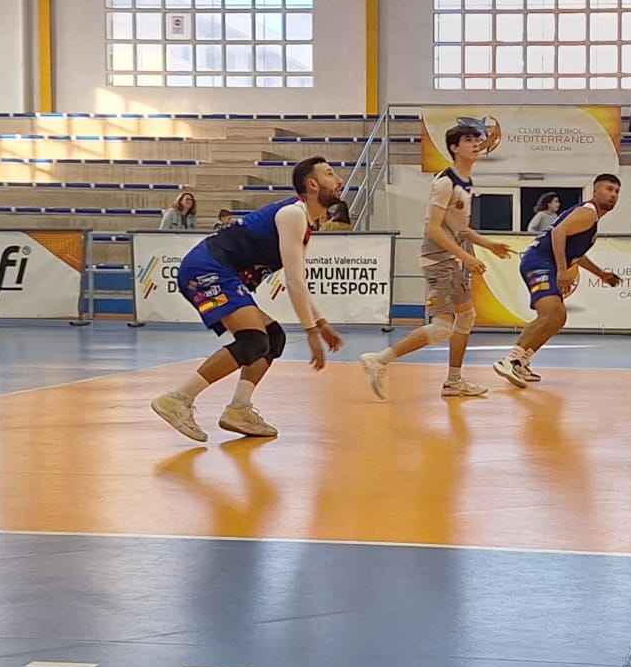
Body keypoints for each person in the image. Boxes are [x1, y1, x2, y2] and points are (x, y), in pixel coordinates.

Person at [150, 156, 347, 442]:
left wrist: (321, 322)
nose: (339, 180)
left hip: (218, 271)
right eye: (330, 174)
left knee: (273, 337)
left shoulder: (304, 223)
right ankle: (177, 399)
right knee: (253, 340)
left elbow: (297, 280)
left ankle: (239, 409)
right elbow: (293, 281)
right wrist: (311, 331)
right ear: (312, 184)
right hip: (206, 268)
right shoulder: (293, 214)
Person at [361, 120, 518, 402]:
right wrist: (466, 257)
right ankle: (380, 359)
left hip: (450, 260)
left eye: (477, 139)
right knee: (442, 326)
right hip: (438, 261)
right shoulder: (445, 182)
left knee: (467, 316)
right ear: (454, 148)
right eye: (468, 140)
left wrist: (489, 245)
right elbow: (433, 228)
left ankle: (454, 381)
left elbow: (460, 229)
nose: (475, 144)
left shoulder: (465, 182)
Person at [493, 173, 624, 388]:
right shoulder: (588, 212)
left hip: (544, 262)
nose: (613, 195)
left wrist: (601, 274)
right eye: (608, 189)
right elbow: (558, 232)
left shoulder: (590, 220)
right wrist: (562, 270)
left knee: (558, 317)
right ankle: (510, 361)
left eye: (617, 191)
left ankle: (522, 362)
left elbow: (577, 255)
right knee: (550, 313)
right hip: (539, 262)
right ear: (595, 191)